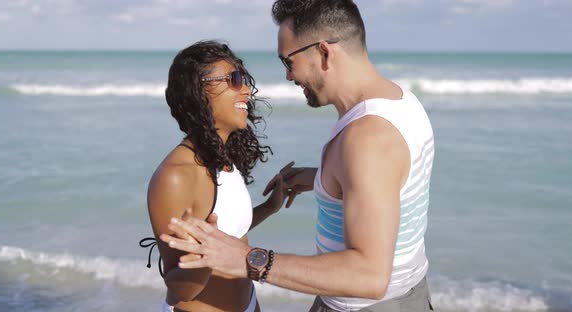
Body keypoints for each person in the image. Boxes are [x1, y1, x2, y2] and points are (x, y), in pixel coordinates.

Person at [161, 1, 435, 311]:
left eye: (287, 62)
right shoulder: (400, 100)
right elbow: (391, 182)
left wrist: (248, 259)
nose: (289, 77)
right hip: (410, 293)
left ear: (324, 53)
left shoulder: (367, 139)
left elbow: (369, 277)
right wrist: (324, 181)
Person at [144, 40, 295, 312]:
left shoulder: (220, 157)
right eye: (234, 79)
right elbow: (179, 289)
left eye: (244, 79)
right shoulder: (174, 177)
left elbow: (228, 234)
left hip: (248, 303)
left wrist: (271, 207)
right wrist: (204, 258)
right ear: (199, 91)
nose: (247, 90)